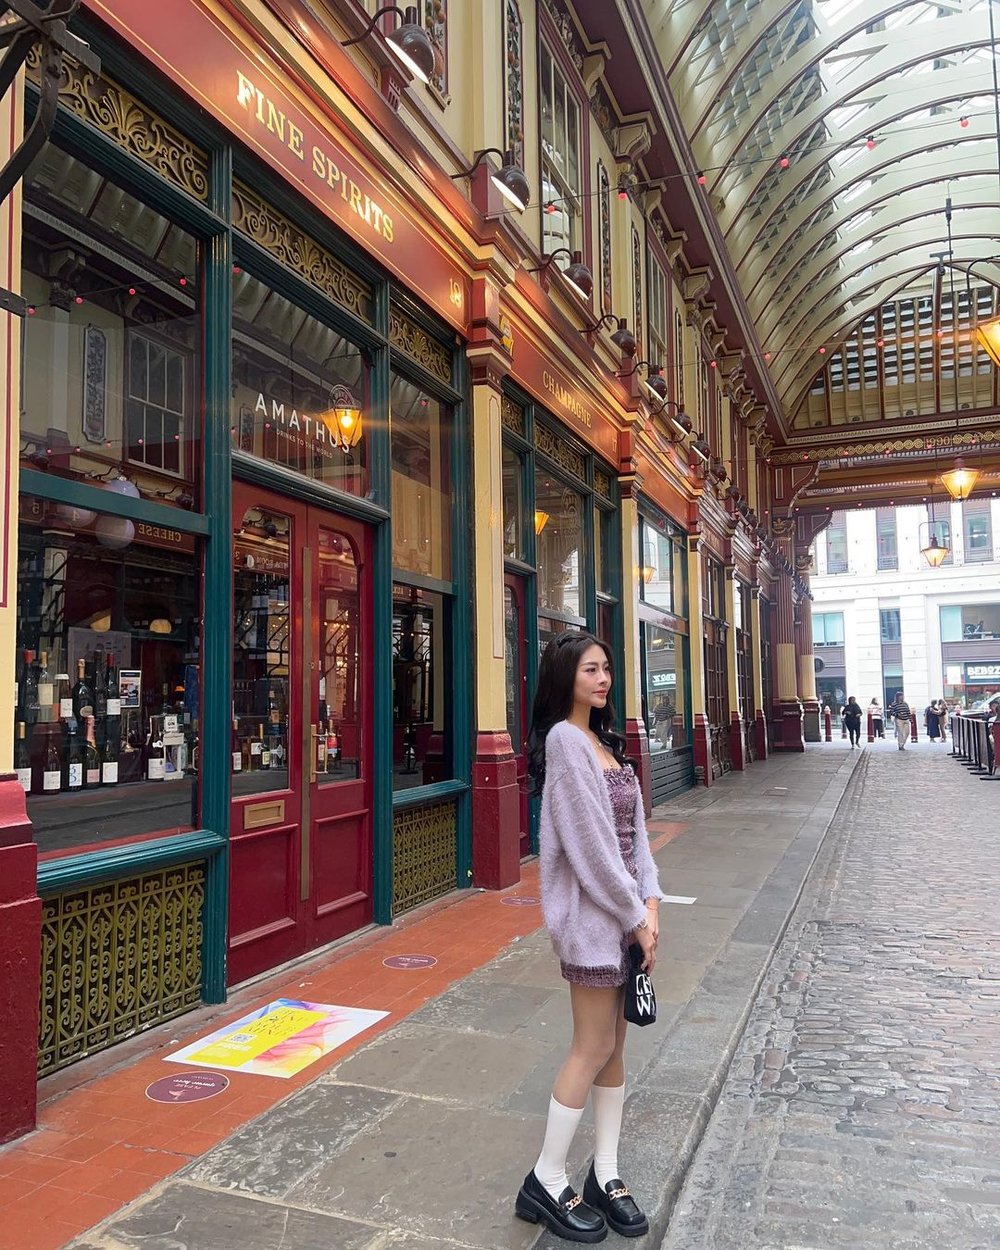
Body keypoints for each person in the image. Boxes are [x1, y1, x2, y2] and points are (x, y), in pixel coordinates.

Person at [515, 631, 664, 1242]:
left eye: (606, 669)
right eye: (589, 670)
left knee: (617, 1044)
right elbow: (592, 848)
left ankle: (606, 1173)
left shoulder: (605, 744)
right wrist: (633, 914)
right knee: (590, 1044)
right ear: (565, 677)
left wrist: (651, 903)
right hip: (593, 922)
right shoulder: (564, 742)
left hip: (629, 919)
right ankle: (545, 1178)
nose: (602, 680)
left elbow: (637, 838)